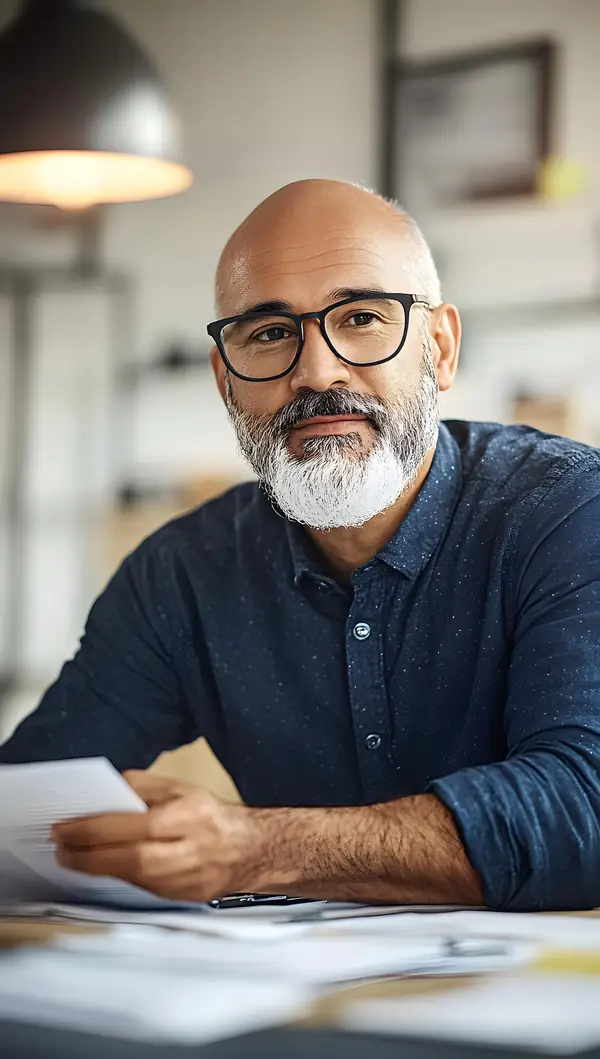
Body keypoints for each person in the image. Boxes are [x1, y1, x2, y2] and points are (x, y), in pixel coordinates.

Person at [2, 178, 600, 913]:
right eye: (270, 332)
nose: (316, 371)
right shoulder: (181, 575)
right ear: (226, 382)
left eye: (361, 318)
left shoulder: (568, 512)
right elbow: (25, 801)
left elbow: (586, 804)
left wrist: (255, 847)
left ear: (439, 349)